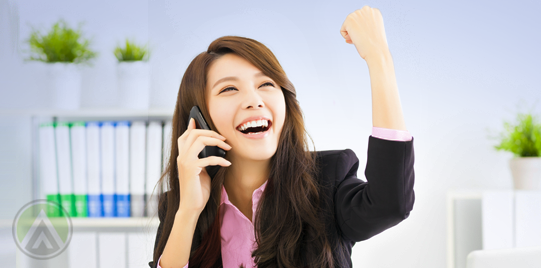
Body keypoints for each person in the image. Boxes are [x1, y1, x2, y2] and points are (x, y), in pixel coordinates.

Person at [149, 5, 415, 268]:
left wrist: (378, 56)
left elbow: (390, 204)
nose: (254, 100)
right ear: (199, 119)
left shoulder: (328, 181)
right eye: (229, 88)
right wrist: (188, 212)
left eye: (266, 84)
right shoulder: (181, 206)